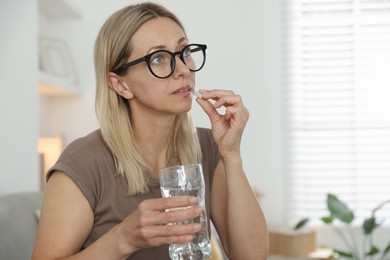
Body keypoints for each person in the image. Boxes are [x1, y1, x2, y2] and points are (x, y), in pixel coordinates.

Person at [32, 2, 269, 259]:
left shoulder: (209, 146)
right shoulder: (84, 162)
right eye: (158, 58)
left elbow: (252, 256)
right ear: (120, 84)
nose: (183, 70)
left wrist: (232, 155)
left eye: (184, 51)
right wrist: (123, 239)